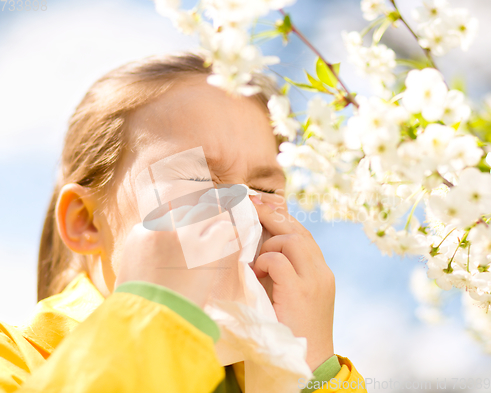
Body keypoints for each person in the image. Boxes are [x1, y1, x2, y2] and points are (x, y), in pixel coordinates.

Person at [0, 53, 366, 393]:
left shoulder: (257, 378)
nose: (239, 210)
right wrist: (150, 316)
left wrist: (309, 372)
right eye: (197, 180)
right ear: (86, 222)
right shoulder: (14, 358)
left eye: (262, 188)